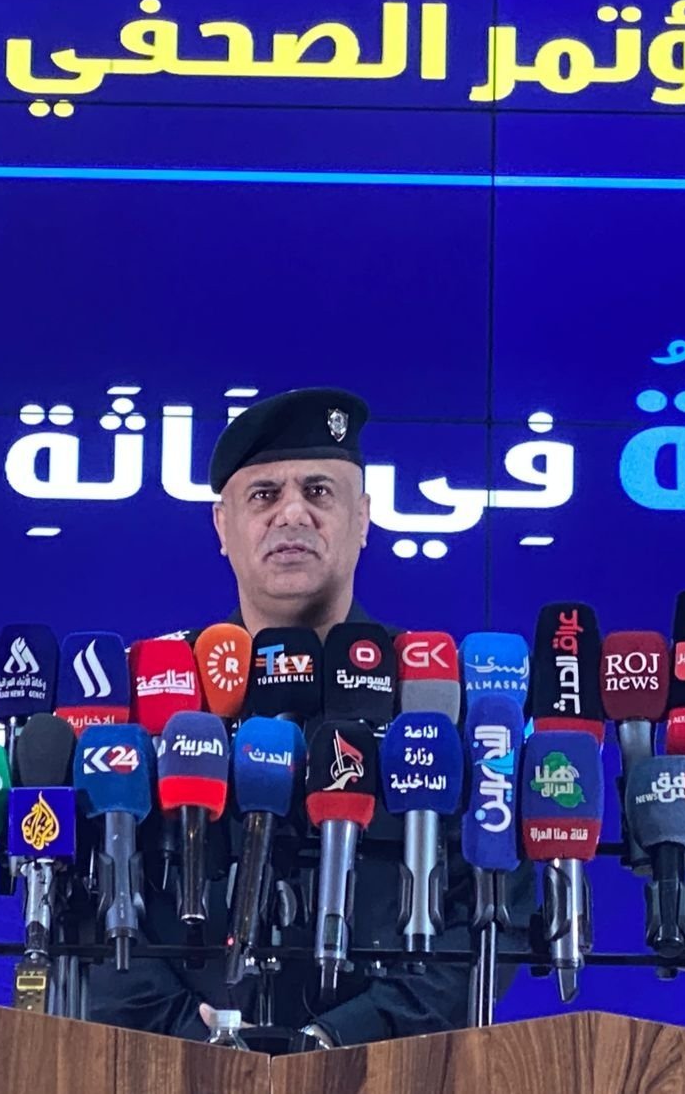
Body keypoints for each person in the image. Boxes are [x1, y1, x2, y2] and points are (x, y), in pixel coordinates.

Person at [86, 388, 483, 1049]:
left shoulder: (435, 690)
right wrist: (193, 1041)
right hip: (170, 1069)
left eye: (319, 491)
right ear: (222, 526)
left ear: (363, 518)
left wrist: (338, 1041)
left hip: (390, 1073)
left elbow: (492, 912)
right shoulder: (151, 686)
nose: (292, 512)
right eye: (264, 494)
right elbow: (87, 901)